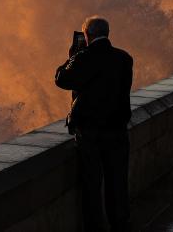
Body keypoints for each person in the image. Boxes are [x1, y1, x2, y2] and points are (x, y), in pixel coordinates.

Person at [55, 16, 133, 232]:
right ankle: (120, 224)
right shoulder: (124, 58)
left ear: (87, 36)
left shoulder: (83, 58)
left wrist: (72, 56)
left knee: (92, 183)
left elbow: (61, 79)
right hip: (117, 131)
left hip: (90, 133)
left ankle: (95, 227)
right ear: (107, 33)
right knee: (117, 182)